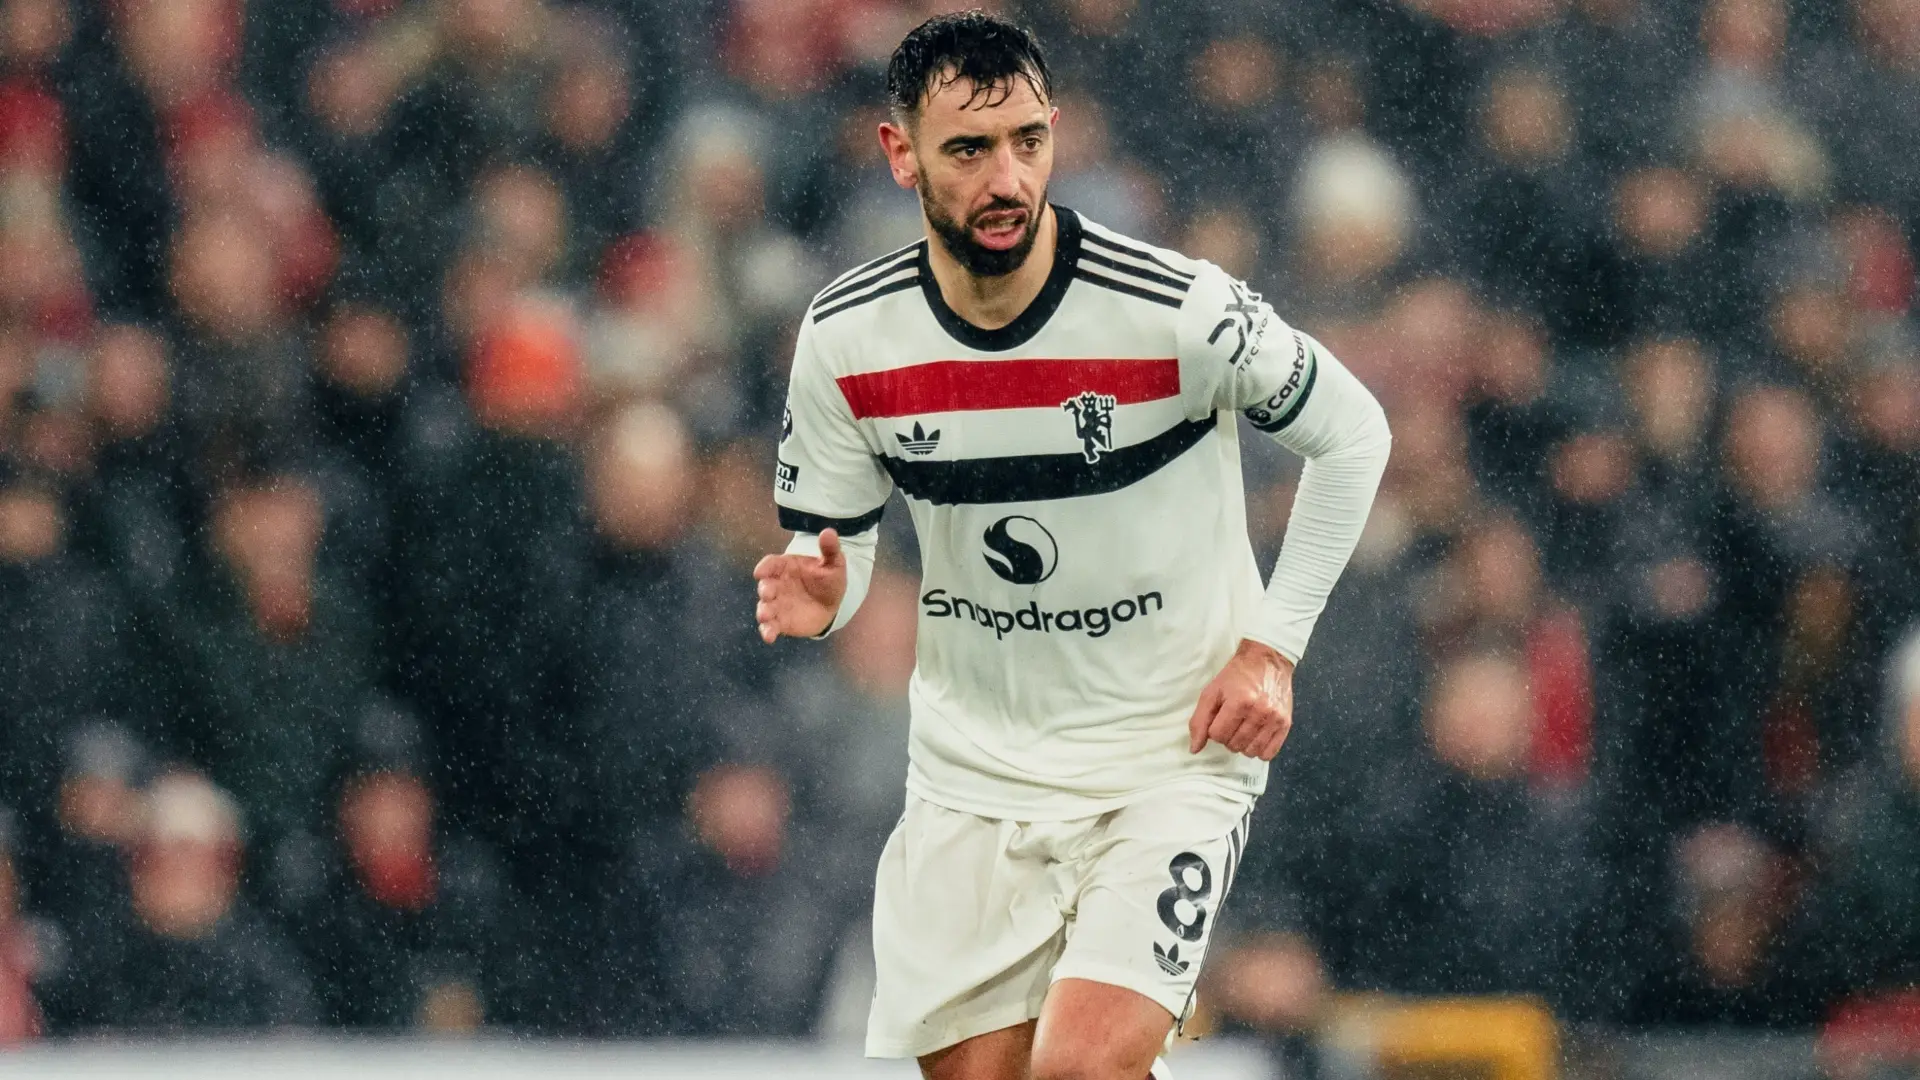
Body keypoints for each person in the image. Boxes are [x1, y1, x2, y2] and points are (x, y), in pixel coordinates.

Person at [751, 13, 1391, 1080]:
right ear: (900, 153)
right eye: (969, 149)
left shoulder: (1176, 309)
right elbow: (838, 539)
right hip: (973, 775)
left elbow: (1355, 431)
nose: (1007, 178)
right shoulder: (847, 336)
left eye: (1029, 141)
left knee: (1080, 1070)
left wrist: (1273, 646)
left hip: (1167, 754)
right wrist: (833, 590)